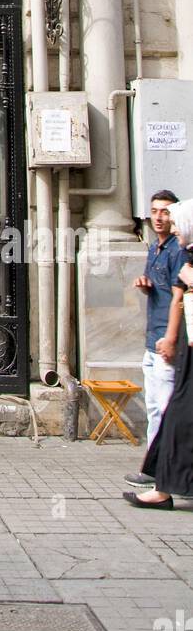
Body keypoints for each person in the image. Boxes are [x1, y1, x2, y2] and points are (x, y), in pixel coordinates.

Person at [124, 197, 193, 510]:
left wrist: (170, 338)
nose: (167, 222)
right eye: (155, 212)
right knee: (165, 414)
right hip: (170, 342)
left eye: (171, 215)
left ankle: (162, 484)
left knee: (173, 416)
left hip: (178, 344)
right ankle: (159, 480)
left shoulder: (183, 255)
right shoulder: (162, 249)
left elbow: (180, 299)